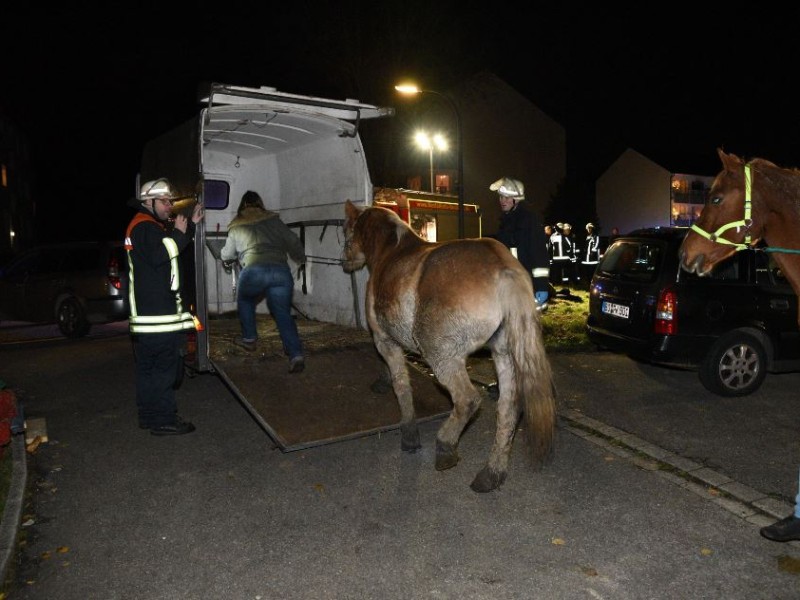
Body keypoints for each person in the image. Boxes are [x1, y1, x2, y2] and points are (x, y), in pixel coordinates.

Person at [125, 178, 204, 435]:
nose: (170, 206)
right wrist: (181, 233)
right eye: (165, 201)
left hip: (149, 320)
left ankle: (149, 416)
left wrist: (189, 227)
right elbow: (162, 255)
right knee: (163, 372)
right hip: (158, 319)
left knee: (148, 371)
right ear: (148, 202)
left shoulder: (145, 227)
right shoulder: (145, 227)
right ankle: (164, 420)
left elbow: (168, 251)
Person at [220, 191, 307, 373]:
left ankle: (250, 339)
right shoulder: (274, 220)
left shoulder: (237, 225)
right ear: (260, 204)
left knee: (245, 301)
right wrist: (300, 258)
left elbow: (227, 254)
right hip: (280, 272)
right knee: (283, 313)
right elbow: (293, 240)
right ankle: (296, 354)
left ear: (242, 206)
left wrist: (226, 259)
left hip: (254, 272)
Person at [487, 177, 550, 310]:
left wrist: (541, 285)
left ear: (517, 199)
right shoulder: (506, 222)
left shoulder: (529, 221)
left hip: (527, 282)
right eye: (500, 197)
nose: (502, 201)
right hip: (510, 280)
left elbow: (539, 253)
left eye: (506, 198)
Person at [580, 222, 601, 288]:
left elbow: (597, 244)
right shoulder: (586, 237)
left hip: (593, 259)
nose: (589, 230)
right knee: (587, 273)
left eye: (590, 228)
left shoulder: (595, 236)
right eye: (588, 228)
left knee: (592, 273)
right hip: (586, 259)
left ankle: (593, 285)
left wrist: (593, 251)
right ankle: (588, 285)